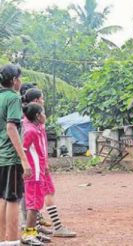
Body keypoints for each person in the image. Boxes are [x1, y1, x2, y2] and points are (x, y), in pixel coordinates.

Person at [21, 88, 76, 238]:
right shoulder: (30, 126)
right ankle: (33, 231)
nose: (44, 102)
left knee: (38, 197)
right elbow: (24, 149)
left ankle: (34, 229)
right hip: (35, 169)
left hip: (40, 166)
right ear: (37, 102)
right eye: (42, 98)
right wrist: (29, 165)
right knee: (35, 199)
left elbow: (40, 145)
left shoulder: (34, 124)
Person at [0, 64, 31, 246]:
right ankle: (11, 241)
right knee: (13, 199)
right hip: (10, 157)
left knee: (2, 198)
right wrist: (23, 158)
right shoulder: (13, 98)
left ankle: (3, 239)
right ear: (13, 80)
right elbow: (11, 128)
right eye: (19, 78)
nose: (20, 81)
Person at [21, 103, 48, 245]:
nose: (45, 115)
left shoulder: (36, 129)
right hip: (34, 173)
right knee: (33, 205)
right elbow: (22, 150)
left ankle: (32, 232)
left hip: (39, 172)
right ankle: (28, 234)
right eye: (43, 113)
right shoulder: (30, 131)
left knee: (36, 203)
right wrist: (25, 168)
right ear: (37, 116)